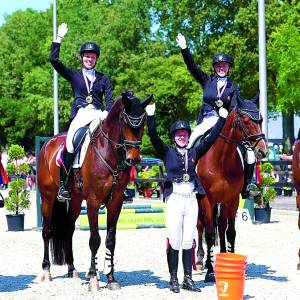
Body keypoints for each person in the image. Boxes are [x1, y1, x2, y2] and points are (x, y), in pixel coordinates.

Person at [145, 102, 228, 293]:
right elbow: (154, 136)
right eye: (178, 134)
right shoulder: (167, 152)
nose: (182, 137)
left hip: (191, 198)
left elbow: (212, 137)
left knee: (188, 240)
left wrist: (222, 118)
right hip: (175, 198)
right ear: (174, 137)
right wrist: (151, 117)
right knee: (174, 239)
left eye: (185, 134)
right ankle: (173, 278)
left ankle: (188, 279)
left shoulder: (194, 152)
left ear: (189, 136)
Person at [176, 33, 256, 198]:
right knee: (191, 142)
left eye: (224, 65)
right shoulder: (207, 81)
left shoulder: (234, 87)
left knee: (250, 154)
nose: (221, 68)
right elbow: (192, 67)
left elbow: (236, 107)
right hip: (207, 120)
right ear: (214, 67)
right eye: (218, 65)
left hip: (226, 124)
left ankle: (247, 186)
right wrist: (184, 49)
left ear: (229, 68)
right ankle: (188, 178)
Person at [50, 23, 114, 202]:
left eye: (92, 56)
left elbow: (109, 99)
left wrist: (107, 113)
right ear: (82, 58)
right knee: (70, 142)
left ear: (96, 59)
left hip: (98, 114)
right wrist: (59, 38)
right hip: (80, 113)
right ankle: (64, 184)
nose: (89, 59)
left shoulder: (103, 78)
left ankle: (117, 185)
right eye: (86, 56)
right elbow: (54, 60)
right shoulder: (74, 75)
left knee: (114, 139)